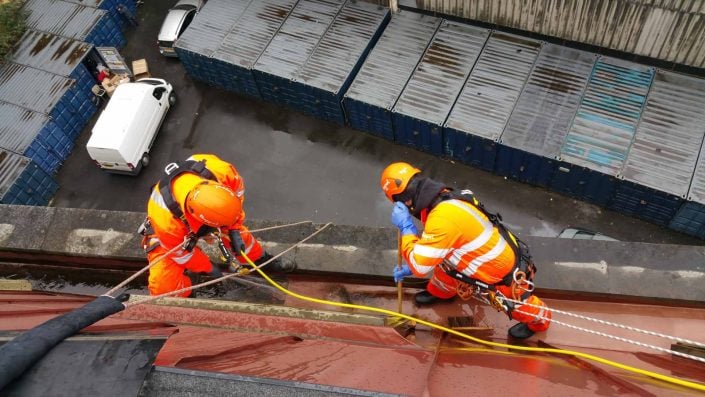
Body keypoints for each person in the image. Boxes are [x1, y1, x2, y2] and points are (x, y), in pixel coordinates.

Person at [380, 162, 551, 339]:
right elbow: (441, 241)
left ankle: (539, 321)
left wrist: (407, 229)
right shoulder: (443, 197)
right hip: (468, 254)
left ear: (405, 200)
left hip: (497, 268)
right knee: (446, 272)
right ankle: (442, 293)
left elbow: (420, 266)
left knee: (518, 304)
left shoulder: (442, 217)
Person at [140, 154, 295, 297]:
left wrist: (234, 227)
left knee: (241, 239)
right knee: (164, 287)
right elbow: (181, 254)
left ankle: (261, 259)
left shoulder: (221, 171)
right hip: (168, 237)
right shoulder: (166, 223)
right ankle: (186, 293)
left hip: (211, 216)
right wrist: (208, 268)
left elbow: (237, 195)